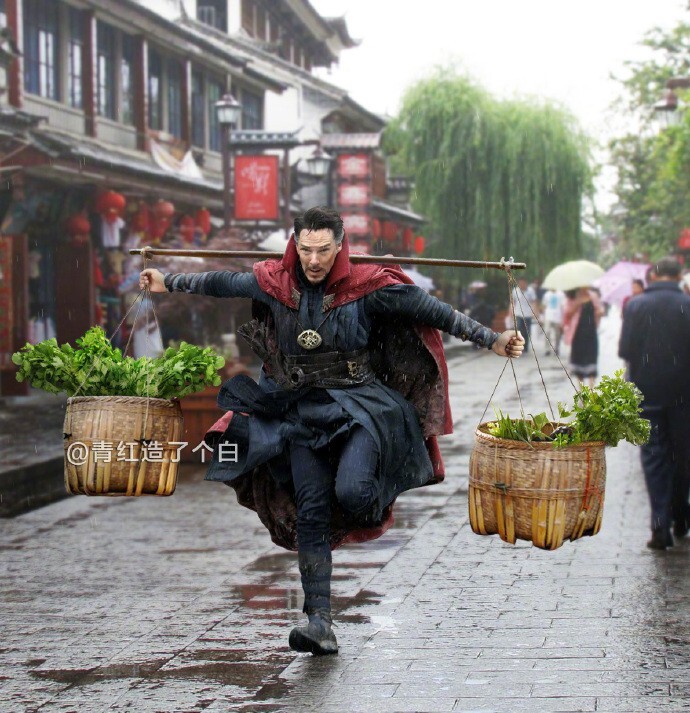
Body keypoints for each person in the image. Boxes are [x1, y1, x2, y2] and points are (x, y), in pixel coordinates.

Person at [139, 206, 525, 656]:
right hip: (298, 413)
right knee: (311, 511)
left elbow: (433, 310)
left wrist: (492, 339)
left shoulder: (368, 286)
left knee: (355, 492)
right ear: (295, 244)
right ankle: (319, 621)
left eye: (323, 250)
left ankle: (377, 483)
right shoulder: (273, 283)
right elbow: (221, 282)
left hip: (359, 409)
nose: (314, 260)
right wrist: (168, 281)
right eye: (306, 250)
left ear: (340, 246)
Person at [619, 257, 690, 550]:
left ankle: (660, 524)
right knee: (682, 455)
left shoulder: (636, 306)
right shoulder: (687, 304)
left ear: (653, 276)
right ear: (677, 276)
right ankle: (681, 515)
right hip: (684, 395)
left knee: (654, 456)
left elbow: (625, 349)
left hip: (647, 393)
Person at [562, 286, 603, 387]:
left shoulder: (593, 296)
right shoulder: (572, 297)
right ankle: (582, 390)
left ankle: (591, 390)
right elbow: (567, 315)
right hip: (578, 334)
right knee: (578, 362)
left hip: (591, 333)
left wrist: (600, 312)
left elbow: (600, 309)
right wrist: (577, 303)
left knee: (592, 361)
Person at [510, 277, 538, 352]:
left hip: (527, 314)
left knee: (527, 331)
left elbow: (534, 302)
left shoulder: (530, 291)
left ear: (526, 283)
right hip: (518, 313)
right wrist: (511, 311)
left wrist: (534, 312)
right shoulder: (515, 290)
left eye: (523, 283)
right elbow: (513, 302)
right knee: (519, 329)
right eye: (520, 283)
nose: (522, 284)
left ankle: (525, 346)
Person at [540, 288, 565, 357]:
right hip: (548, 316)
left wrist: (563, 318)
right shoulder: (547, 294)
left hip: (558, 317)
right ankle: (547, 349)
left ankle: (556, 348)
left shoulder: (561, 294)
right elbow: (544, 305)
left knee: (558, 334)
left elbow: (563, 306)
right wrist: (542, 317)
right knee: (547, 332)